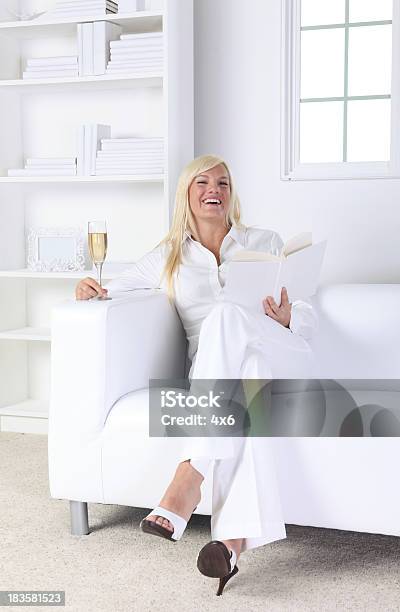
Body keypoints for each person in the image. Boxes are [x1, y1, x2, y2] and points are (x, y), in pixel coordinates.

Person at [75, 154, 318, 596]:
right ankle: (229, 545)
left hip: (285, 355)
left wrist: (286, 318)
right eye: (203, 182)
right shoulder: (167, 256)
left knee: (230, 320)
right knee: (249, 375)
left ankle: (190, 474)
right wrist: (88, 287)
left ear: (231, 193)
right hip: (237, 377)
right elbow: (112, 288)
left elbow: (306, 312)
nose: (215, 190)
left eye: (223, 182)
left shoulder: (264, 240)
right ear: (187, 193)